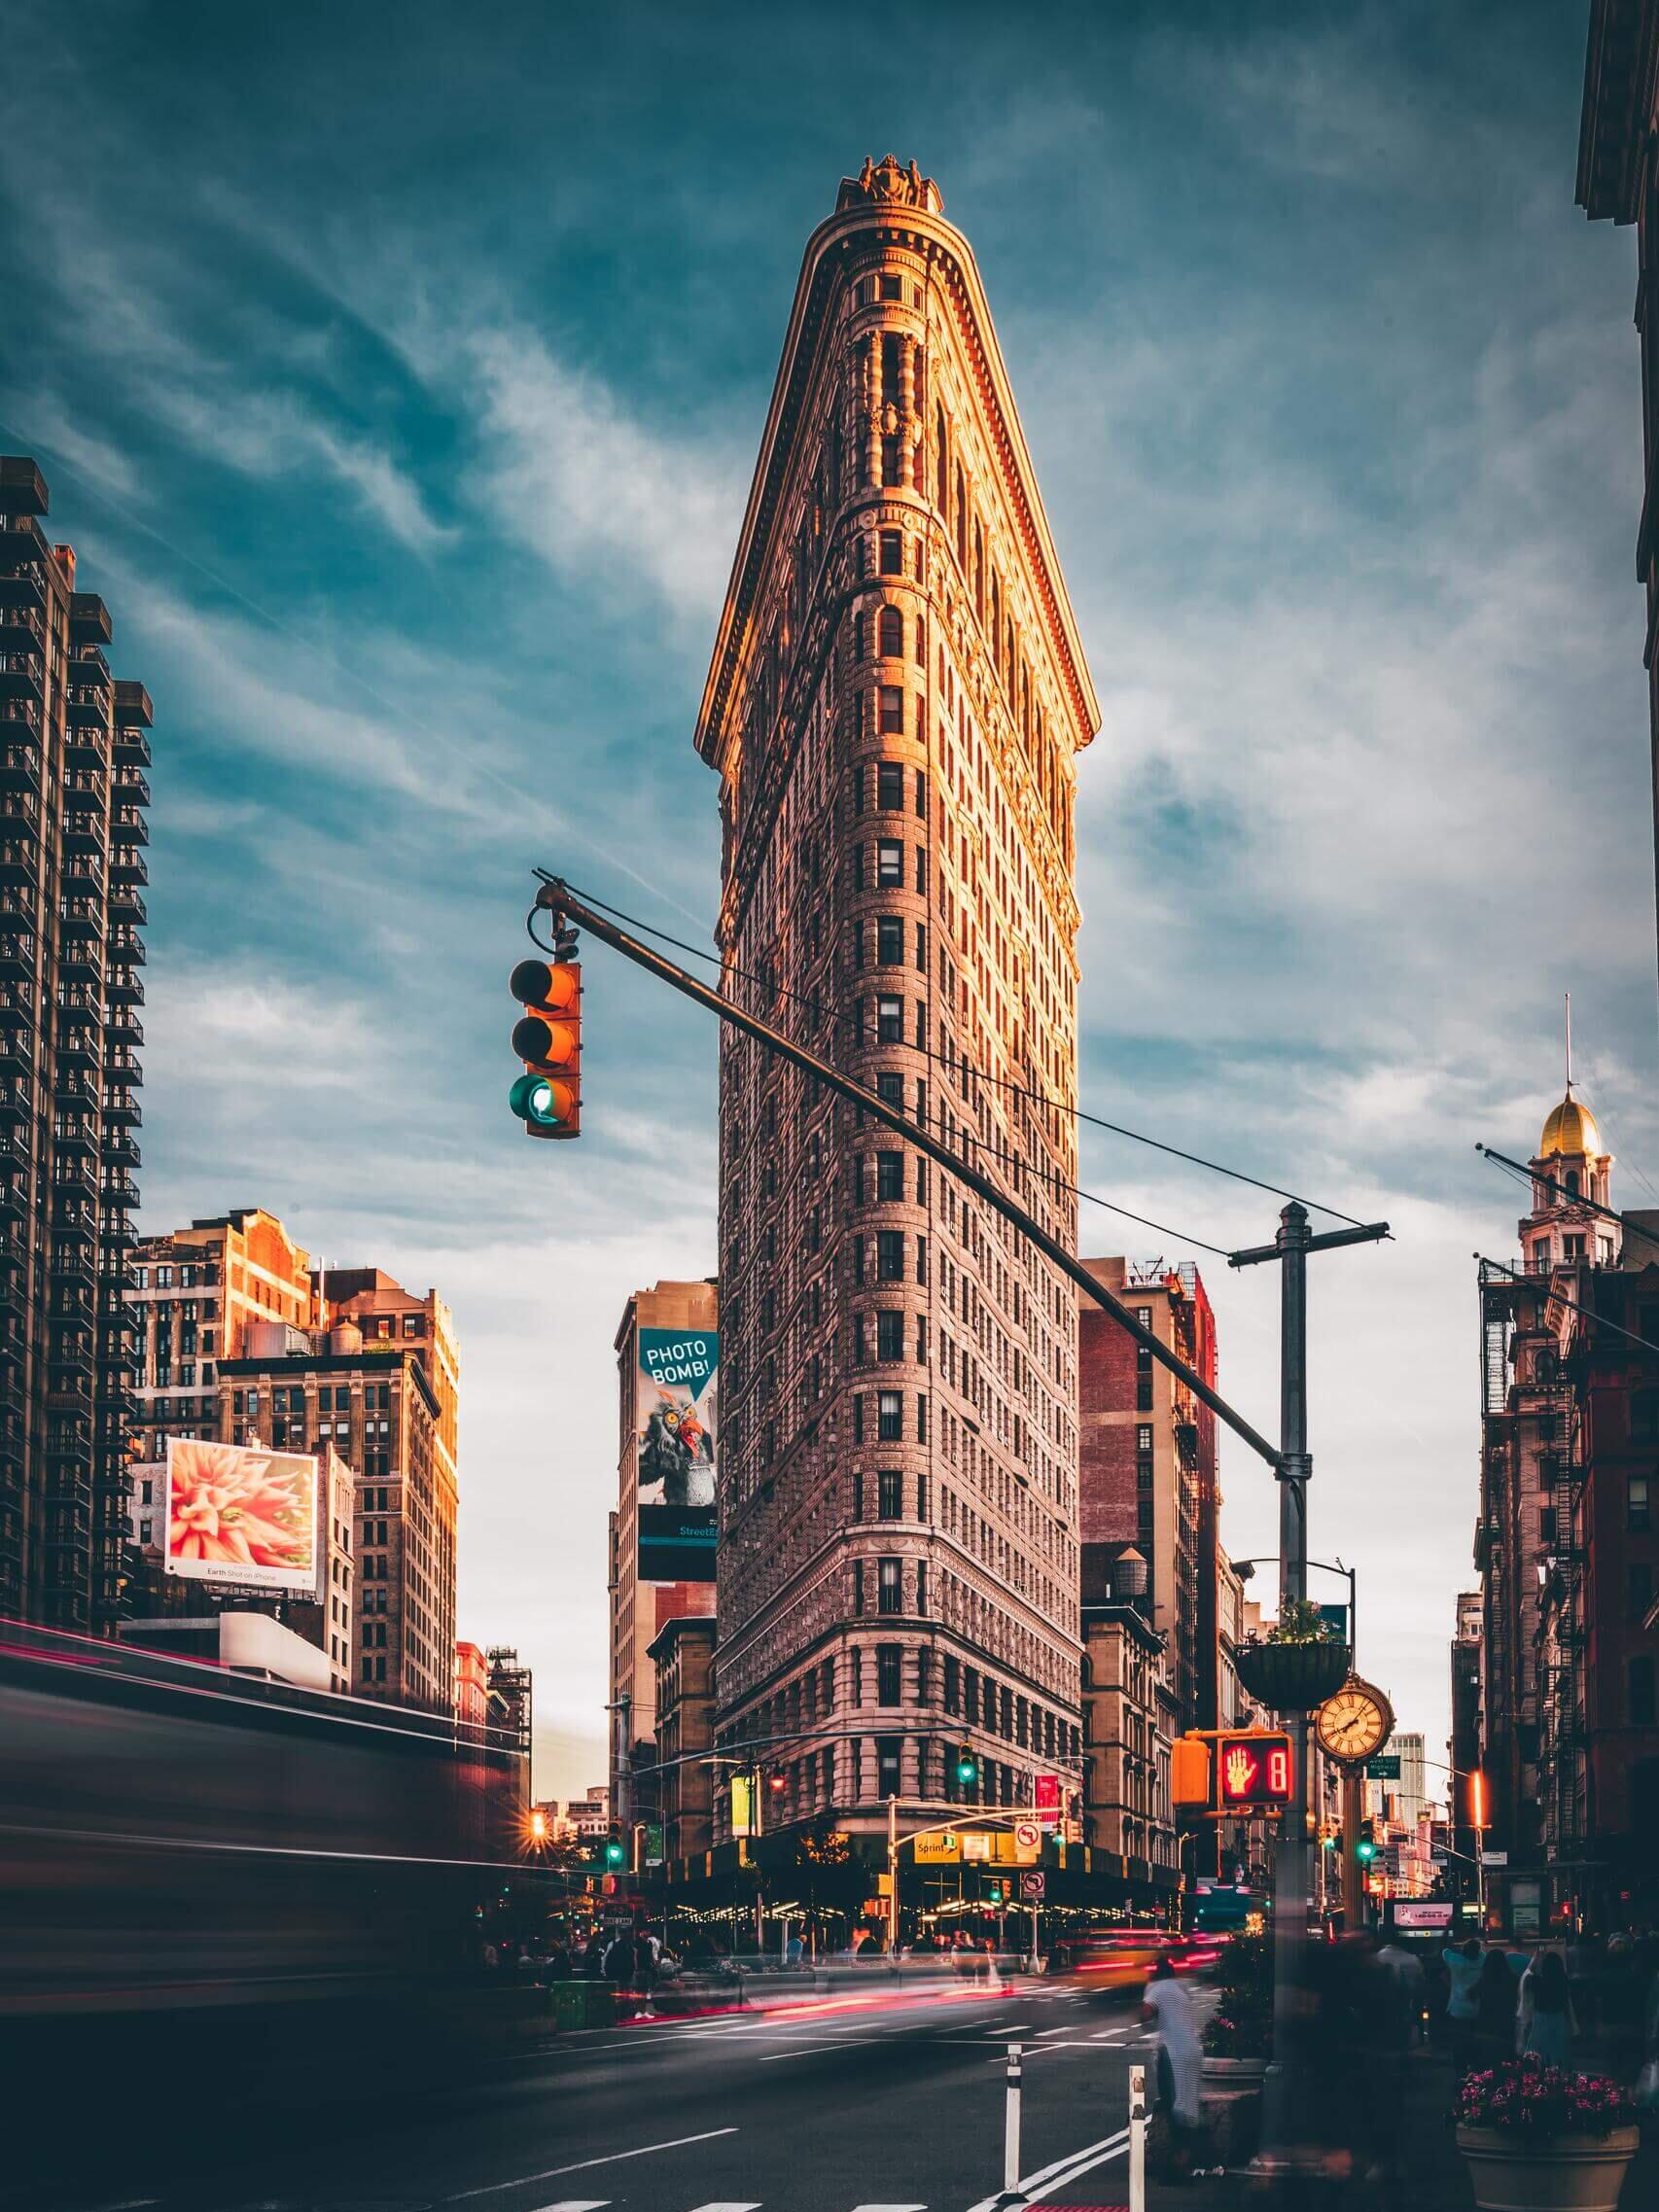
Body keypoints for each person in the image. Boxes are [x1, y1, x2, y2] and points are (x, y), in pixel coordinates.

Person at [1142, 1955, 1203, 2179]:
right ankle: (1186, 2159)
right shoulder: (1182, 1988)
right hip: (1193, 2051)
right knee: (1188, 2106)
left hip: (1172, 2051)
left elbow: (1146, 2013)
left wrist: (1144, 2018)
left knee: (1171, 2105)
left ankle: (1179, 2165)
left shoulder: (1156, 1988)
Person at [1518, 1951, 1575, 2068]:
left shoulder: (1535, 1981)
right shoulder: (1563, 1981)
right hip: (1559, 2018)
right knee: (1558, 2053)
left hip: (1540, 2019)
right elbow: (1566, 2003)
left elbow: (1528, 1972)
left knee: (1537, 2052)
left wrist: (1535, 1959)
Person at [1472, 1945, 1521, 2066]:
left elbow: (1470, 1995)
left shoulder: (1484, 1980)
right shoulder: (1513, 1979)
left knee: (1488, 2063)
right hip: (1506, 2025)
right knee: (1507, 2062)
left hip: (1486, 2026)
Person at [1443, 1938, 1484, 2065]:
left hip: (1457, 2010)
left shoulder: (1456, 1961)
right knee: (1475, 2042)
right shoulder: (1482, 1960)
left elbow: (1445, 1950)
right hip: (1477, 2009)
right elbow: (1482, 1953)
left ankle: (1460, 2072)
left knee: (1458, 2043)